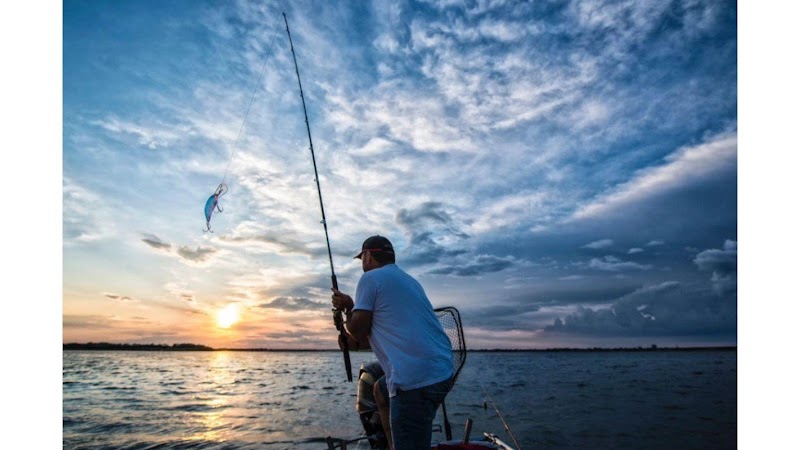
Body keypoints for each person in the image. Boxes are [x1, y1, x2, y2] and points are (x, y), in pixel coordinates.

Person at [331, 235, 454, 450]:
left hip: (416, 381)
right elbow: (390, 335)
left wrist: (349, 308)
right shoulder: (408, 281)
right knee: (380, 389)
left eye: (362, 258)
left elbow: (358, 330)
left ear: (368, 256)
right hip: (441, 372)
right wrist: (353, 340)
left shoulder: (371, 278)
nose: (362, 263)